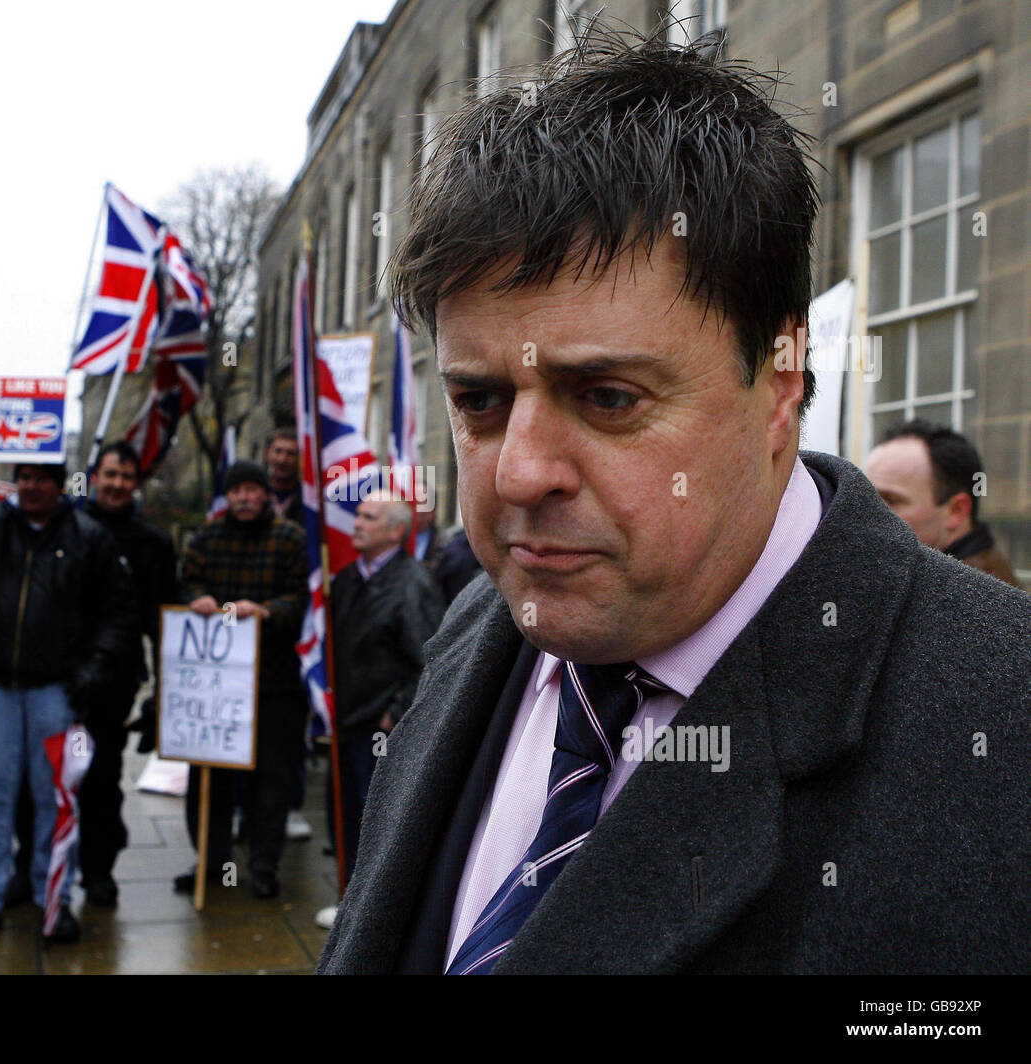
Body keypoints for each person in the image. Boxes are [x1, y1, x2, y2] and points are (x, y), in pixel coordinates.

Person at [318, 29, 1030, 975]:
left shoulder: (1001, 726)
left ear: (781, 381)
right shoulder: (474, 628)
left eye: (608, 398)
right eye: (479, 401)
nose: (518, 475)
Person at [0, 420, 137, 946]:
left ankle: (53, 899)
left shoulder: (90, 539)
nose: (31, 486)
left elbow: (117, 616)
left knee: (56, 801)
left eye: (42, 477)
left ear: (60, 484)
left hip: (56, 692)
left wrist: (91, 671)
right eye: (24, 476)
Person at [177, 459, 308, 899]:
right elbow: (185, 582)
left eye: (252, 490)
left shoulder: (290, 539)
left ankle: (263, 865)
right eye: (236, 491)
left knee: (270, 780)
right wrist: (197, 599)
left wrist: (267, 610)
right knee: (208, 778)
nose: (244, 498)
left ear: (265, 494)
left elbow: (302, 598)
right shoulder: (207, 538)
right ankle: (211, 861)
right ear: (227, 496)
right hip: (215, 688)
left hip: (273, 684)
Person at [81, 440, 178, 905]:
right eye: (110, 475)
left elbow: (162, 623)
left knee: (101, 775)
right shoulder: (69, 526)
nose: (117, 485)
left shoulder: (152, 543)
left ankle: (98, 868)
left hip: (113, 683)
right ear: (94, 476)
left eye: (126, 477)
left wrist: (163, 691)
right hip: (56, 677)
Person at [332, 496, 443, 874]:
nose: (357, 523)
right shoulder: (348, 579)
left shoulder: (413, 584)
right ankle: (348, 898)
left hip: (379, 729)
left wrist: (393, 714)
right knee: (345, 814)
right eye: (358, 515)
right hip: (347, 719)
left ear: (396, 531)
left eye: (368, 517)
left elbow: (429, 658)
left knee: (373, 820)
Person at [863, 420, 1023, 589]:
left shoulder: (969, 600)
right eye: (866, 497)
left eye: (890, 500)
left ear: (956, 510)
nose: (867, 512)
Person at [263, 427, 313, 843]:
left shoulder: (309, 506)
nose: (282, 460)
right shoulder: (245, 497)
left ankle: (291, 805)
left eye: (290, 454)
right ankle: (251, 809)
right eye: (277, 452)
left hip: (294, 632)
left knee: (289, 730)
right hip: (248, 632)